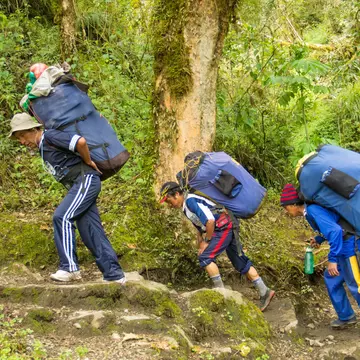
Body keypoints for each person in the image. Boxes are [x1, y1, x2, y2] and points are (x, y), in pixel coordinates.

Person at [9, 113, 126, 284]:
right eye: (18, 138)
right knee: (90, 229)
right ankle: (114, 275)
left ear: (33, 129)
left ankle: (69, 268)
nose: (22, 141)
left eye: (22, 136)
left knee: (61, 217)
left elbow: (80, 142)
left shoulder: (49, 136)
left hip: (85, 180)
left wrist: (88, 161)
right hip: (80, 184)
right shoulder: (42, 146)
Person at [159, 181, 275, 311]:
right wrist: (200, 242)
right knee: (239, 260)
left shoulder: (191, 201)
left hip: (223, 227)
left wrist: (207, 242)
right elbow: (200, 225)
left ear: (176, 194)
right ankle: (264, 291)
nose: (170, 205)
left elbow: (210, 220)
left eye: (169, 201)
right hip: (226, 225)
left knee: (205, 258)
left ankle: (220, 292)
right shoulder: (186, 206)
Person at [281, 183, 360, 329]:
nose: (286, 212)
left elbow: (335, 231)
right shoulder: (310, 212)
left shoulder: (313, 210)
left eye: (285, 208)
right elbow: (333, 223)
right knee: (332, 278)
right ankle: (346, 316)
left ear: (293, 204)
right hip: (343, 247)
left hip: (349, 247)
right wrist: (319, 239)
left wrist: (332, 259)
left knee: (355, 284)